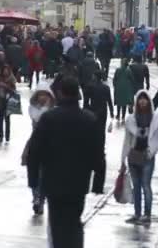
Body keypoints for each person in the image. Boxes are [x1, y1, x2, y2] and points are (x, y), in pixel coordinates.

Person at [28, 77, 104, 248]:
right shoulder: (89, 119)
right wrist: (98, 182)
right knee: (74, 221)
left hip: (53, 181)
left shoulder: (49, 118)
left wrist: (33, 181)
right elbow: (98, 152)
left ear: (60, 94)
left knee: (57, 223)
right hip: (79, 181)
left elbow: (35, 151)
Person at [121, 90, 158, 224]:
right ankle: (137, 214)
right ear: (136, 102)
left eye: (145, 99)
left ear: (149, 101)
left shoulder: (156, 118)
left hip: (147, 156)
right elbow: (127, 140)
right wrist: (122, 159)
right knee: (136, 186)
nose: (142, 101)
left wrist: (152, 151)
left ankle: (147, 215)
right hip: (133, 155)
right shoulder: (131, 119)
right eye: (140, 99)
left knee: (146, 185)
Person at [24, 83, 56, 215]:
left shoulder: (54, 110)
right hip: (34, 144)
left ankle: (41, 200)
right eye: (40, 94)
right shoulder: (33, 109)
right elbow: (38, 118)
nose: (43, 97)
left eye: (45, 94)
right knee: (33, 173)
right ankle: (36, 197)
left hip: (50, 146)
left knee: (44, 175)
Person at [83, 71, 114, 193]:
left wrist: (85, 110)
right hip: (103, 111)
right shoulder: (106, 87)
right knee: (101, 131)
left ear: (94, 76)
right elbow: (109, 100)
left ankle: (94, 146)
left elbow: (86, 101)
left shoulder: (89, 86)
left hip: (92, 110)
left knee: (92, 131)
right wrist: (112, 112)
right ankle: (101, 147)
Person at [0, 65, 16, 144]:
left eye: (7, 70)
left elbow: (14, 90)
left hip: (9, 100)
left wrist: (6, 86)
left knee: (7, 119)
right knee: (0, 118)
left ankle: (7, 136)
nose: (5, 71)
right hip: (0, 99)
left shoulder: (12, 79)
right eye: (4, 70)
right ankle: (1, 135)